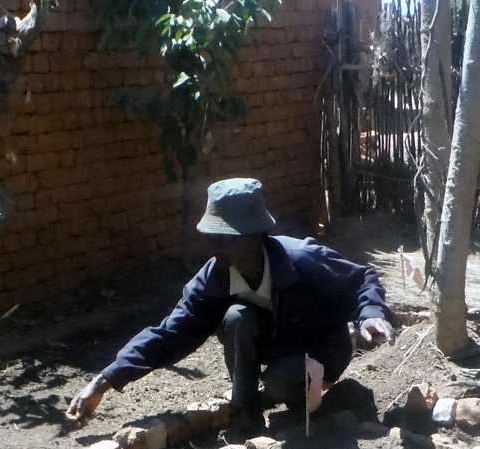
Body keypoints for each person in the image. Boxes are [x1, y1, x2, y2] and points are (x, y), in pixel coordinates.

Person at [66, 178, 396, 435]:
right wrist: (105, 381)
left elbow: (360, 279)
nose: (213, 249)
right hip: (278, 348)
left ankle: (311, 408)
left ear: (253, 236)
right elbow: (170, 333)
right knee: (237, 317)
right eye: (211, 238)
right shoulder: (214, 278)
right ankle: (245, 418)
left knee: (280, 382)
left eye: (224, 239)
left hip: (322, 348)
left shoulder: (301, 259)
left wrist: (371, 315)